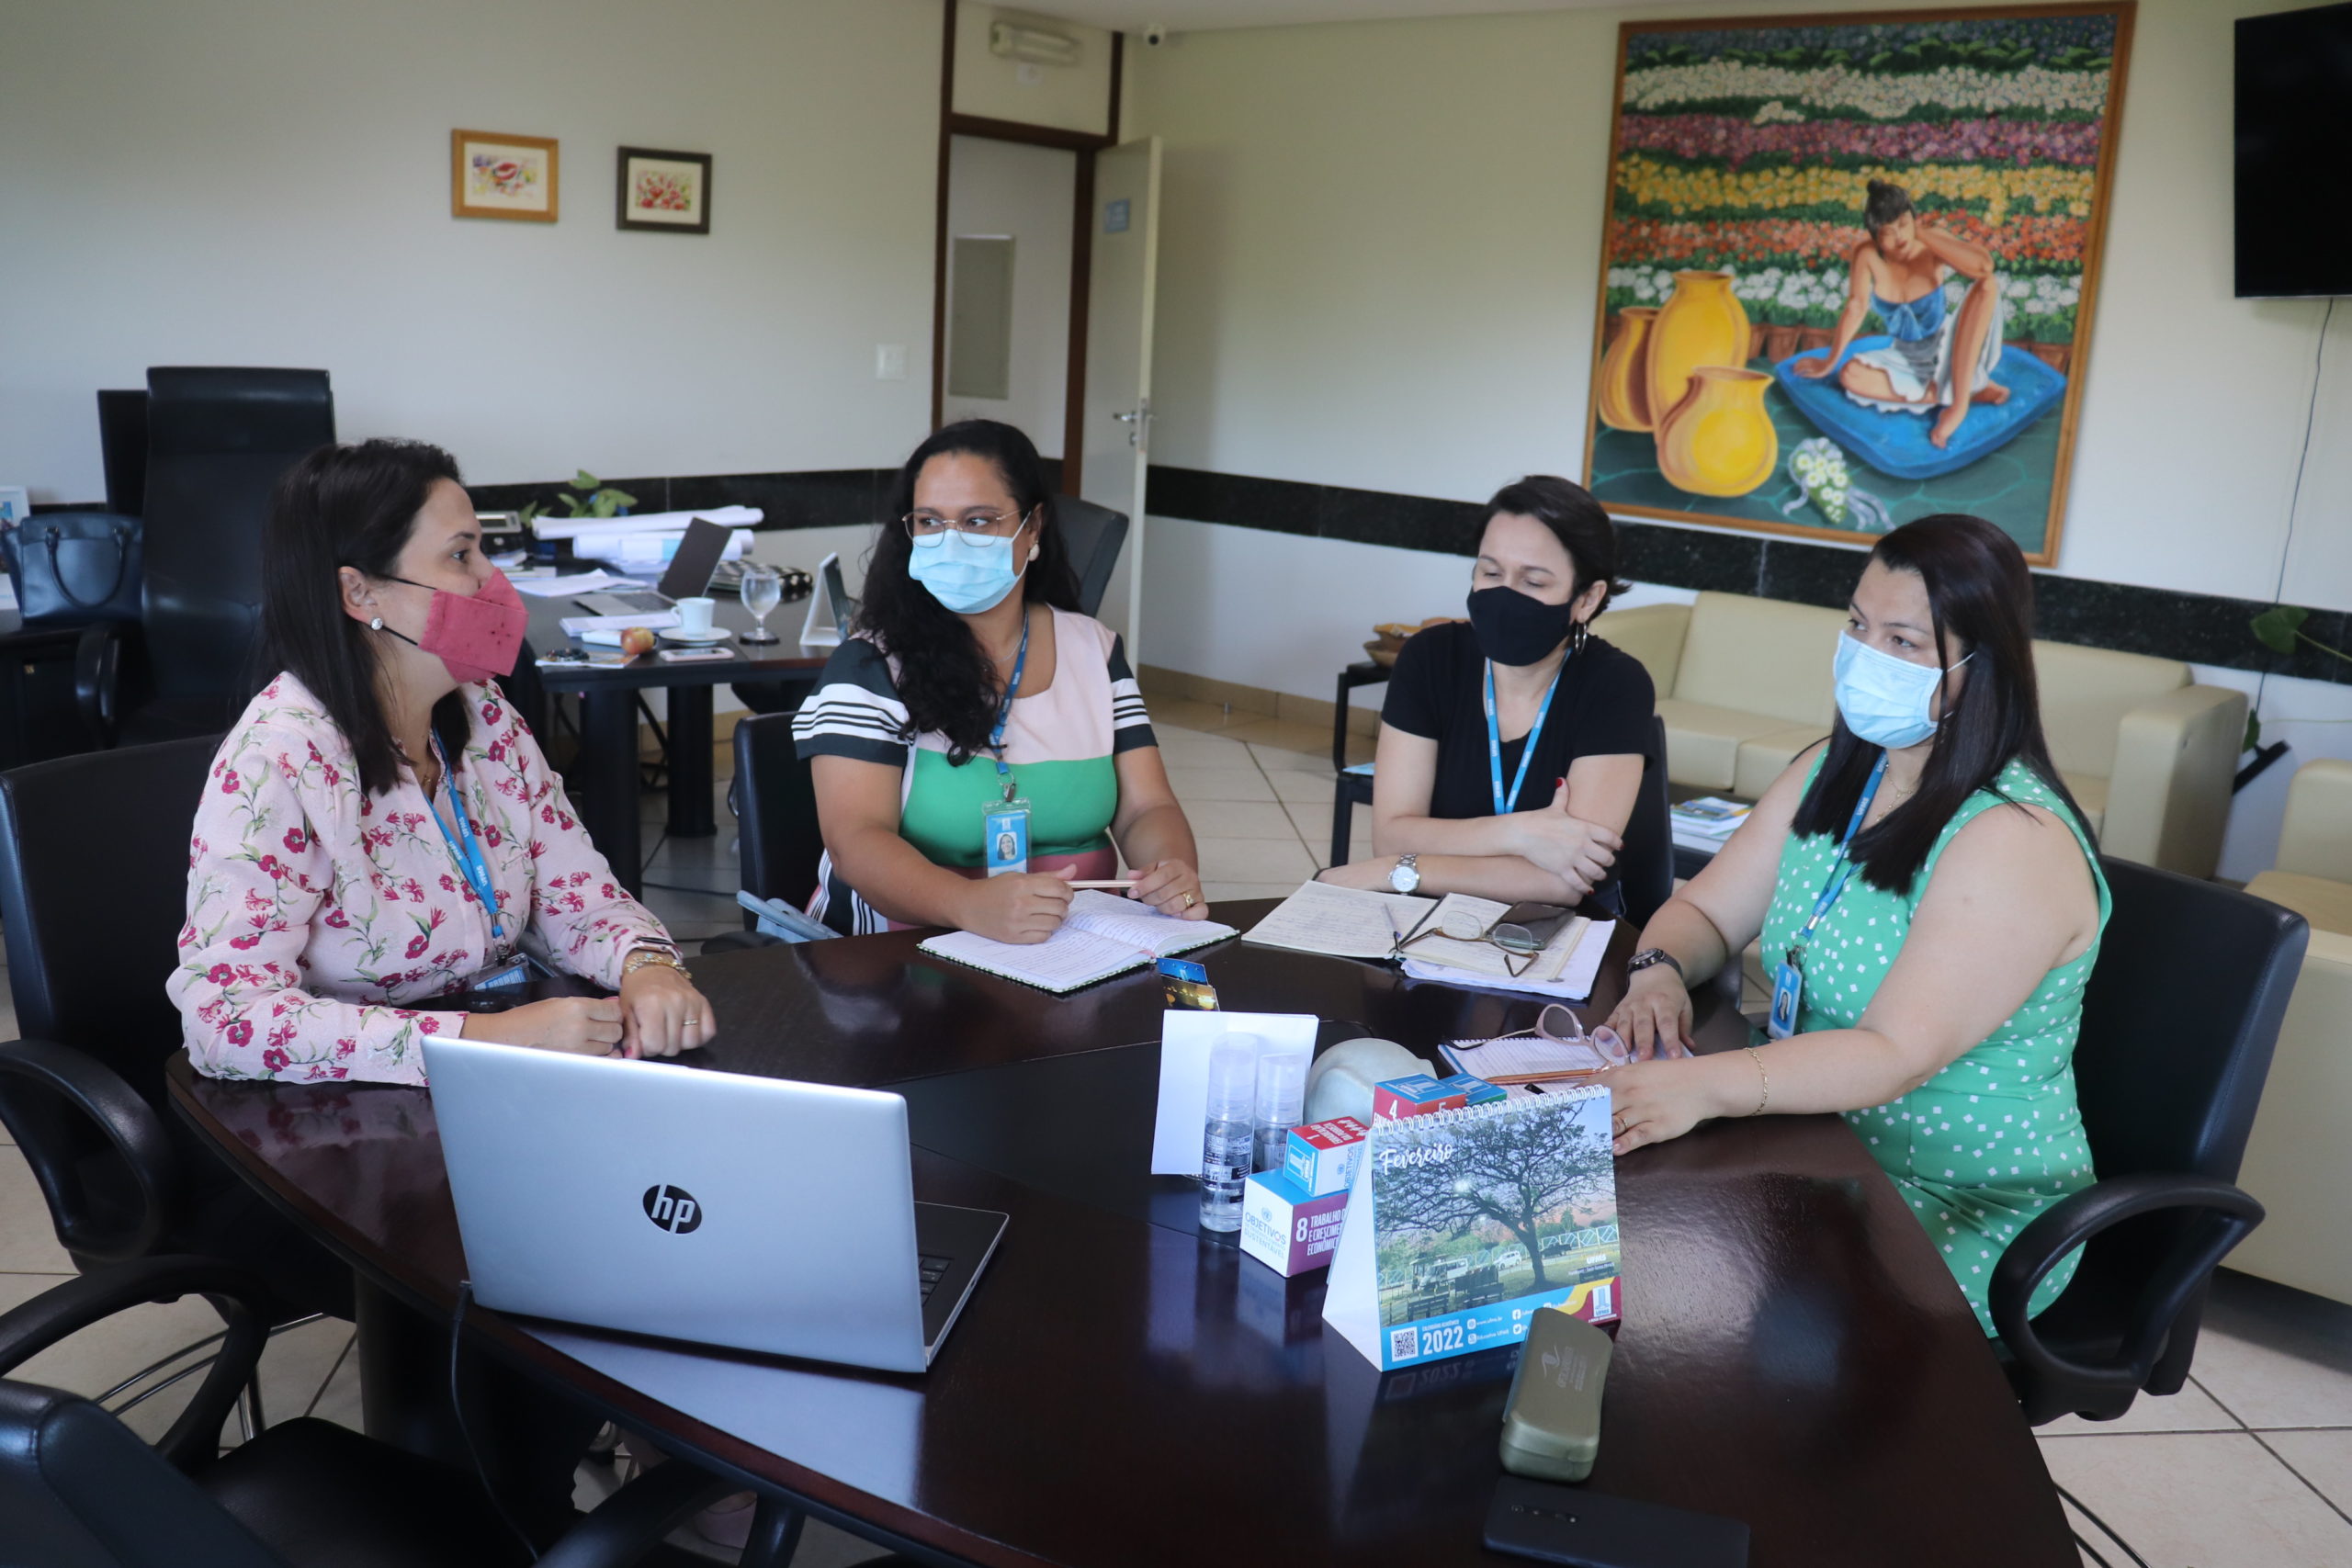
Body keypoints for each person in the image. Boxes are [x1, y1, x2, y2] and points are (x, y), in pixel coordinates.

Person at [1601, 514, 2106, 1334]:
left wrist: (1703, 1086)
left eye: (1904, 641)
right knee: (1618, 1240)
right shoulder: (1836, 773)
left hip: (1948, 1200)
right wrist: (1658, 969)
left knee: (1708, 1318)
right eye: (1858, 625)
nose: (1867, 655)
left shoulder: (2012, 839)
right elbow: (1705, 910)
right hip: (1810, 1135)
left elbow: (1892, 1055)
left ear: (1980, 669)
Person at [170, 439, 716, 1084]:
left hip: (504, 1071)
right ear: (359, 593)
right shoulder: (277, 760)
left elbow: (582, 899)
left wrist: (646, 965)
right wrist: (488, 1041)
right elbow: (226, 1019)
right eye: (461, 554)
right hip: (352, 1106)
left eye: (482, 549)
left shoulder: (486, 716)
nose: (490, 577)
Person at [793, 419, 1205, 940]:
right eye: (929, 521)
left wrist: (1169, 871)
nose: (951, 541)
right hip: (894, 948)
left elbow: (1147, 807)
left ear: (1033, 528)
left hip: (1069, 944)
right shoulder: (869, 665)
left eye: (978, 520)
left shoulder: (1095, 651)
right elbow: (856, 838)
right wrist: (966, 904)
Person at [1316, 476, 1652, 911]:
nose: (1504, 594)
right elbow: (1392, 834)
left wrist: (1398, 870)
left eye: (1533, 582)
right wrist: (1519, 834)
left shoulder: (1616, 684)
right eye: (1491, 572)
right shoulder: (1430, 658)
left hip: (1558, 928)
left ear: (1586, 599)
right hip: (1427, 915)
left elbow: (1565, 882)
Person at [1792, 178, 2010, 451]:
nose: (1900, 237)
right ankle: (1967, 390)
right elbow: (1856, 307)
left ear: (1913, 219)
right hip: (1905, 356)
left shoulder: (1931, 242)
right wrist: (1829, 361)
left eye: (1904, 224)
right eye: (1888, 232)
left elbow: (1983, 267)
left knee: (1988, 285)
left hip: (1954, 348)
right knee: (1850, 375)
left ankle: (1958, 404)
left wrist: (1923, 234)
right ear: (1875, 235)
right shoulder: (1867, 255)